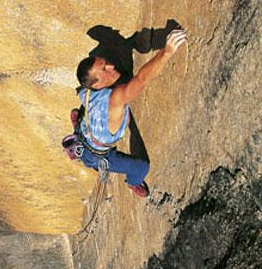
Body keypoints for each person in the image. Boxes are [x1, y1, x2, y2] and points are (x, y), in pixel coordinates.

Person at [72, 29, 187, 197]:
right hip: (100, 155)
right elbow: (141, 80)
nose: (111, 66)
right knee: (141, 167)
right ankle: (133, 183)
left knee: (83, 118)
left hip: (85, 137)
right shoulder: (114, 99)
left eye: (106, 63)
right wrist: (167, 52)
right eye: (105, 69)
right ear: (96, 85)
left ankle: (77, 127)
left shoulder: (86, 90)